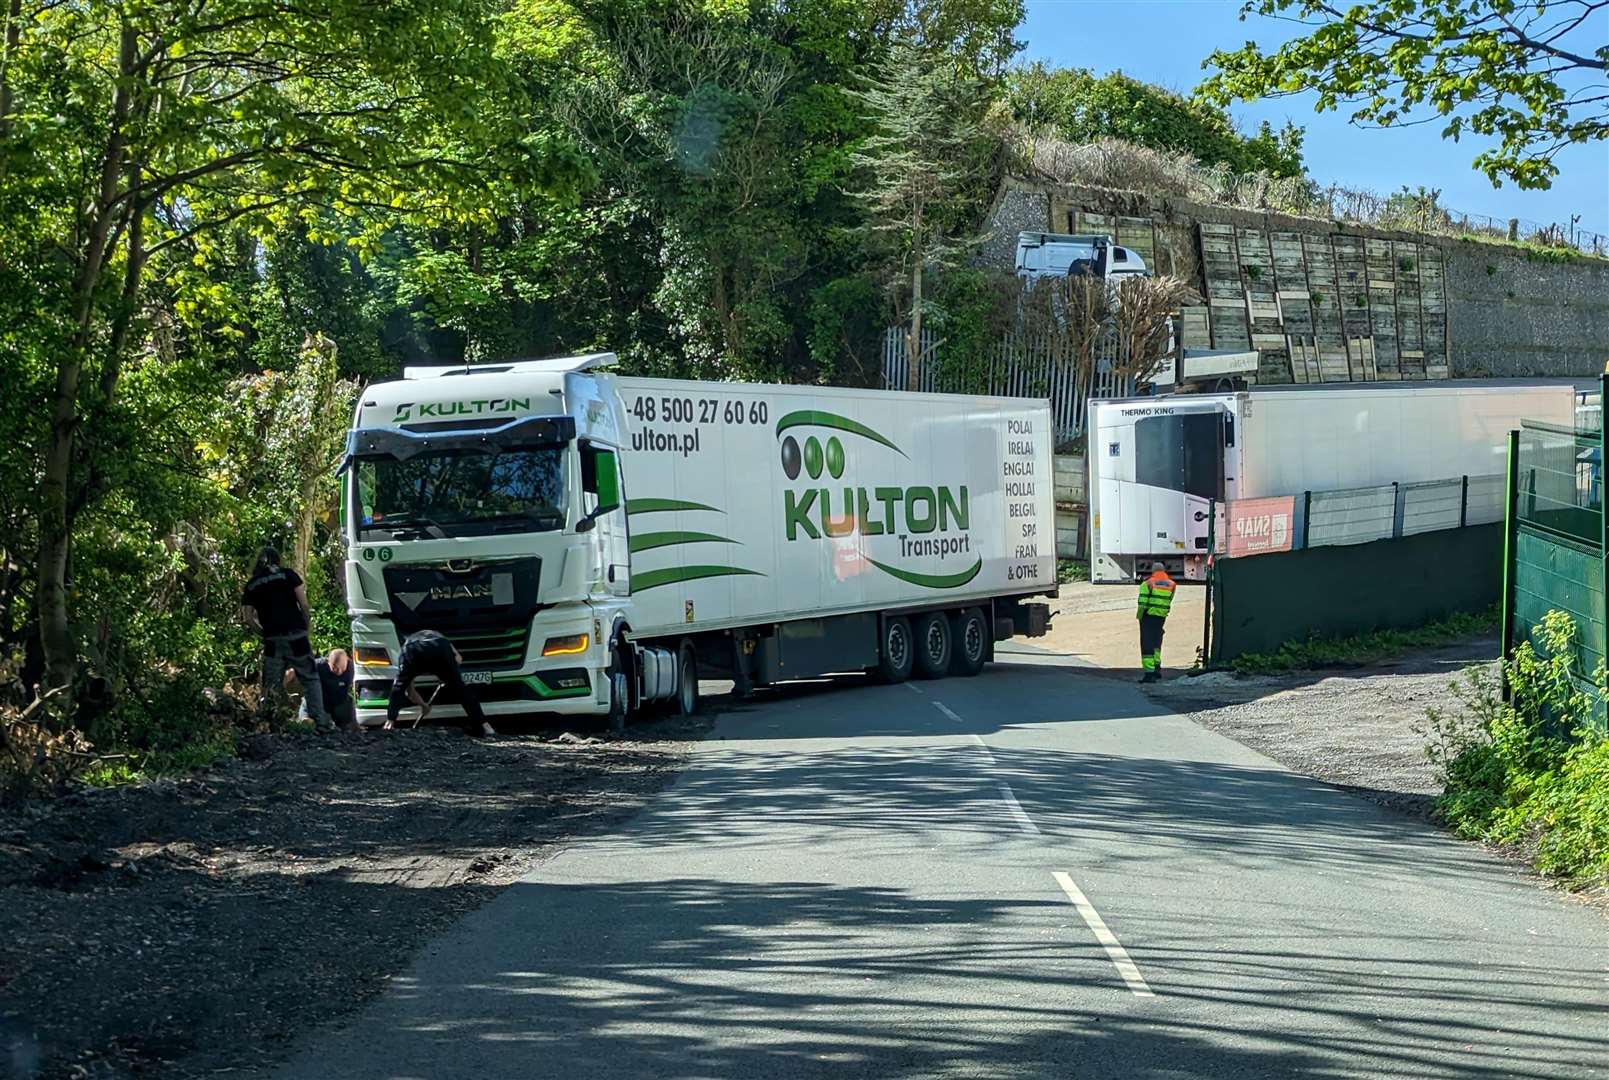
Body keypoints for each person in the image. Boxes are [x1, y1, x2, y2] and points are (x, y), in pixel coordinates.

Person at [243, 546, 330, 729]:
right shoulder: (288, 575)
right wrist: (306, 626)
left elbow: (248, 618)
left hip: (273, 639)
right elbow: (304, 604)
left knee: (272, 683)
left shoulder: (252, 584)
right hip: (296, 634)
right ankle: (321, 722)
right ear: (278, 560)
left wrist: (263, 633)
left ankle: (270, 723)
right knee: (309, 678)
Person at [386, 629, 496, 737]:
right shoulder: (441, 637)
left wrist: (424, 706)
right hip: (439, 647)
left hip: (414, 650)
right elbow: (458, 659)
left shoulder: (406, 648)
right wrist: (449, 674)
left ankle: (390, 723)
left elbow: (409, 691)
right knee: (462, 690)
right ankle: (486, 727)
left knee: (399, 686)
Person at [1136, 561, 1176, 683]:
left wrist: (1140, 616)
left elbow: (1142, 603)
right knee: (1156, 642)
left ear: (1153, 571)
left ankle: (1149, 673)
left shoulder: (1147, 583)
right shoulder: (1171, 584)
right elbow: (1169, 600)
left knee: (1146, 644)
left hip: (1148, 616)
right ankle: (1157, 668)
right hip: (1161, 617)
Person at [298, 649, 357, 730]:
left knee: (349, 721)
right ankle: (308, 721)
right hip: (319, 701)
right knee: (311, 719)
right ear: (328, 662)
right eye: (335, 668)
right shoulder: (318, 665)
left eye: (342, 668)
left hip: (339, 701)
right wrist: (290, 673)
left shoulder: (352, 668)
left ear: (347, 662)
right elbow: (300, 668)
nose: (339, 671)